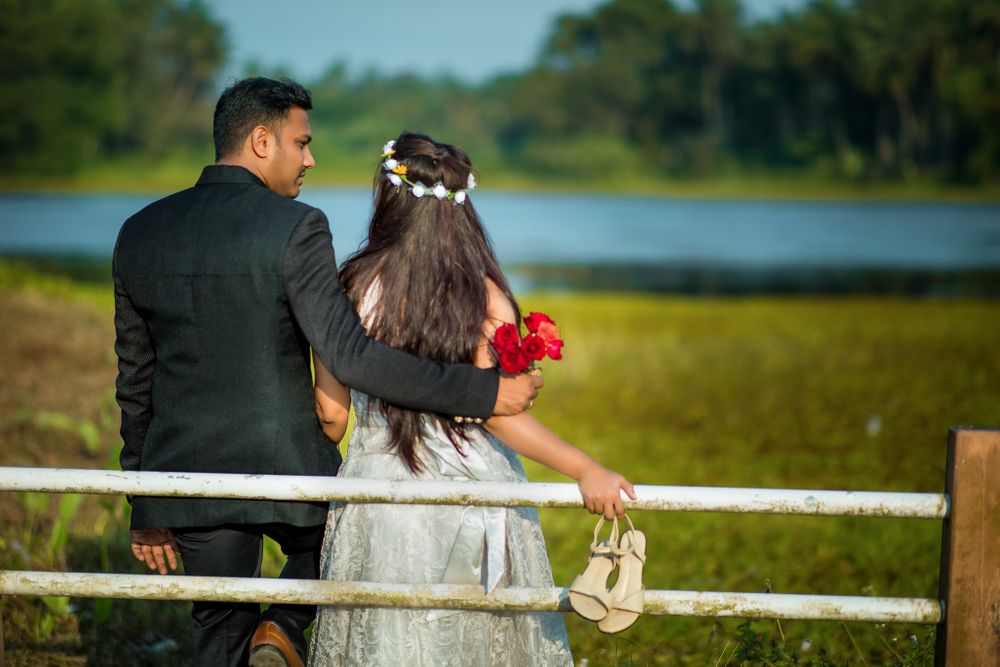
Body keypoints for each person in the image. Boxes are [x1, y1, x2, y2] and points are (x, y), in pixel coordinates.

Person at [112, 79, 542, 667]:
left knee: (217, 627)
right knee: (349, 543)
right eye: (301, 143)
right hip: (289, 463)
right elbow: (351, 357)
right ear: (262, 141)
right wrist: (484, 390)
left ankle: (272, 633)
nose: (310, 159)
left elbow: (135, 379)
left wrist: (146, 497)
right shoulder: (296, 226)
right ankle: (285, 624)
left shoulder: (139, 232)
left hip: (186, 474)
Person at [307, 132, 636, 666]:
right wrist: (584, 467)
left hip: (382, 497)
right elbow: (498, 415)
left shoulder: (350, 284)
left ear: (386, 200)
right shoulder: (483, 294)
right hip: (477, 493)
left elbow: (331, 413)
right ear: (463, 208)